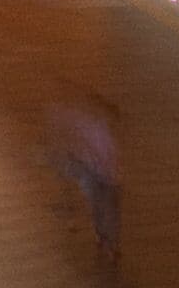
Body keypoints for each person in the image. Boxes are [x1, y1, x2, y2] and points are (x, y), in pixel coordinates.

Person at [53, 95, 123, 279]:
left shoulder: (107, 133)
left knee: (111, 212)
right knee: (100, 209)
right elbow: (79, 145)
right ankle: (105, 238)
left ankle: (111, 243)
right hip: (97, 176)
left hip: (110, 178)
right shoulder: (92, 129)